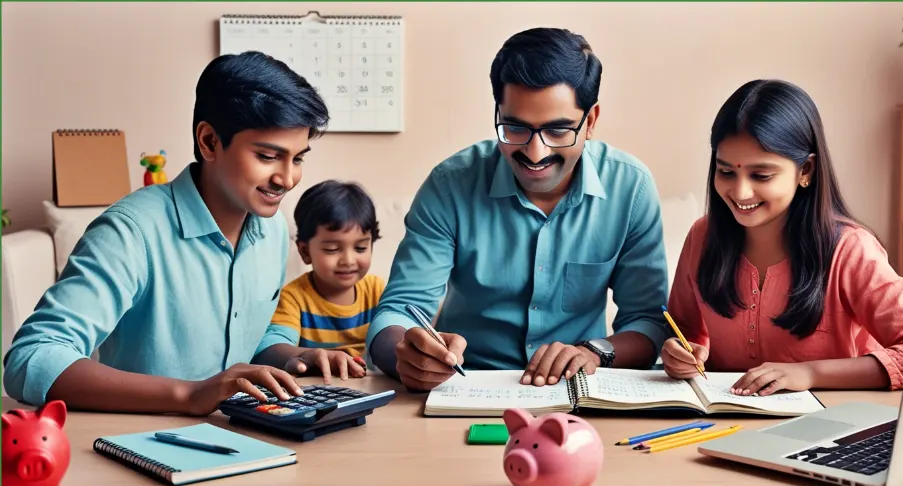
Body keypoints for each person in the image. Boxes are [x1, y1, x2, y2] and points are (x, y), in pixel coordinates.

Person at [2, 51, 329, 414]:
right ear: (209, 142)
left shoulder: (273, 229)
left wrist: (294, 356)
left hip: (243, 438)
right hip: (138, 447)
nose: (288, 178)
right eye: (268, 156)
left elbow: (242, 337)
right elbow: (31, 358)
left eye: (298, 158)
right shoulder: (131, 231)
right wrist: (189, 395)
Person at [366, 27, 670, 392]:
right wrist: (404, 357)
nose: (535, 153)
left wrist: (595, 352)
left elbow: (648, 322)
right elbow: (399, 309)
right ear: (498, 112)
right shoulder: (450, 184)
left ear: (590, 122)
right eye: (515, 127)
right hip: (465, 385)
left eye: (558, 131)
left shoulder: (630, 187)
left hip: (578, 389)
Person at [662, 79, 903, 395]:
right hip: (721, 426)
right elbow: (683, 331)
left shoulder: (850, 250)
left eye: (762, 175)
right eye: (726, 171)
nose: (740, 192)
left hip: (827, 427)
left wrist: (810, 374)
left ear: (806, 170)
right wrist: (679, 354)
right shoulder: (702, 237)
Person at [254, 180, 385, 383]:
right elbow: (269, 349)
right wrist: (309, 356)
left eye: (360, 248)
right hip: (318, 392)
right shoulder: (293, 298)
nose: (348, 260)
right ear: (305, 252)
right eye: (332, 249)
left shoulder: (376, 290)